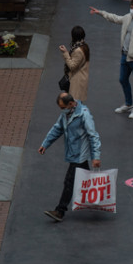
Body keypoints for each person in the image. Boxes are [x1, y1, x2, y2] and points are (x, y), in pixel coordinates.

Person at [39, 92, 102, 223]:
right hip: (73, 153)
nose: (61, 110)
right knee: (85, 177)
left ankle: (60, 211)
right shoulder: (65, 114)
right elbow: (57, 128)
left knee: (69, 181)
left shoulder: (84, 114)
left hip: (80, 154)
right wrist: (45, 144)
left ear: (71, 104)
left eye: (63, 107)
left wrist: (95, 156)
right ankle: (97, 199)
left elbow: (93, 136)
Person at [89, 0, 133, 119]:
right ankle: (129, 104)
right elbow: (115, 18)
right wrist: (100, 12)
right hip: (125, 55)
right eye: (131, 8)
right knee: (122, 79)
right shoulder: (127, 17)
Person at [60, 26, 90, 102]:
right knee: (77, 104)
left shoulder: (78, 50)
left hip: (77, 81)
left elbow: (72, 66)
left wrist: (65, 53)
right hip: (80, 79)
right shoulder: (84, 46)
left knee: (74, 104)